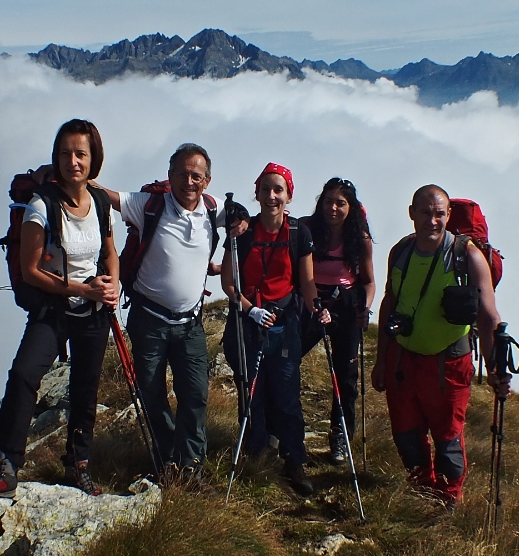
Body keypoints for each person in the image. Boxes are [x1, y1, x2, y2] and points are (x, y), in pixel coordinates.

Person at [0, 119, 120, 501]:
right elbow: (31, 270)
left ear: (93, 158)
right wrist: (85, 288)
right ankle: (5, 467)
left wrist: (112, 284)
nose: (73, 161)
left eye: (81, 153)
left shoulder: (99, 202)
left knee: (85, 390)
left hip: (94, 311)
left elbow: (110, 251)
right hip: (54, 308)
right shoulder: (41, 206)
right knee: (23, 376)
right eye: (66, 153)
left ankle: (78, 465)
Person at [371, 184, 507, 506]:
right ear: (411, 214)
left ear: (448, 216)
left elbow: (489, 317)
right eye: (425, 213)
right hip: (403, 360)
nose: (432, 221)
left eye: (439, 214)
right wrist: (381, 360)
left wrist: (495, 370)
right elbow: (390, 302)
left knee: (447, 437)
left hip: (447, 365)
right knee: (406, 433)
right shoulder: (400, 252)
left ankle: (447, 500)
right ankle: (420, 491)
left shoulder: (469, 257)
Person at [98, 143, 223, 477]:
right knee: (151, 393)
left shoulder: (214, 209)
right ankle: (170, 454)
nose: (189, 181)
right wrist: (69, 178)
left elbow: (248, 218)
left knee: (194, 394)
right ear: (170, 176)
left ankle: (191, 464)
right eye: (182, 173)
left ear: (207, 181)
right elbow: (108, 196)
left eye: (196, 175)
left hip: (190, 323)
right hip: (148, 320)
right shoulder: (148, 205)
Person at [221, 163, 328, 496]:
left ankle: (294, 459)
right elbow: (228, 282)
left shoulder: (298, 233)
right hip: (248, 323)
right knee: (252, 393)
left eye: (278, 190)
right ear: (256, 193)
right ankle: (255, 454)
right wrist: (250, 310)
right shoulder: (243, 233)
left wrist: (318, 308)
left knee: (287, 397)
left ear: (289, 195)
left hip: (285, 324)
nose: (271, 196)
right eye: (265, 189)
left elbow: (307, 283)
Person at [300, 178, 375, 464]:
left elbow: (368, 282)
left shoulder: (360, 238)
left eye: (340, 203)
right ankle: (283, 428)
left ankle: (340, 437)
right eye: (328, 201)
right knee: (287, 360)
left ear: (351, 208)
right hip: (310, 299)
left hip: (346, 304)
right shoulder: (306, 228)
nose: (333, 208)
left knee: (346, 375)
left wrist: (364, 308)